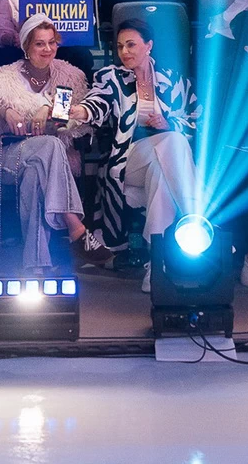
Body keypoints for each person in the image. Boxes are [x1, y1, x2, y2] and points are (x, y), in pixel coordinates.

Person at [0, 16, 111, 271]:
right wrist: (3, 114)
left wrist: (48, 109)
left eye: (52, 43)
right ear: (26, 47)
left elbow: (72, 126)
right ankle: (76, 228)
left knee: (36, 172)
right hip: (6, 155)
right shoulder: (0, 79)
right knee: (50, 147)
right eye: (39, 44)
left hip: (45, 161)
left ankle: (36, 266)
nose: (47, 49)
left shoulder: (68, 78)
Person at [80, 20, 199, 277]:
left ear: (149, 46)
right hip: (126, 158)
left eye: (131, 45)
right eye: (120, 46)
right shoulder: (111, 76)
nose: (124, 52)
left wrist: (170, 122)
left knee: (160, 171)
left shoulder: (171, 79)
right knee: (173, 141)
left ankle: (155, 266)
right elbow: (97, 101)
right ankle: (195, 216)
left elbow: (197, 117)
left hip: (164, 160)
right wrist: (80, 111)